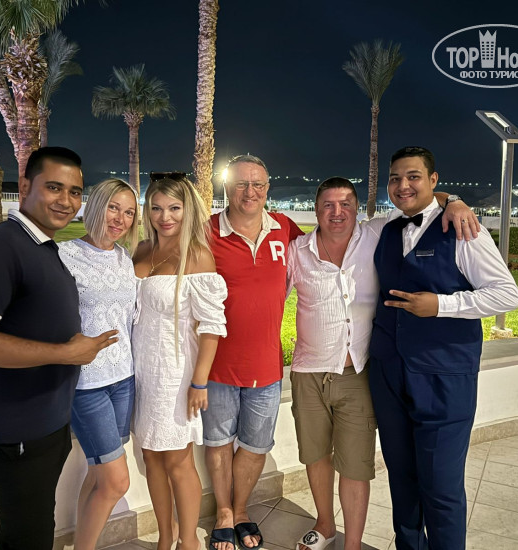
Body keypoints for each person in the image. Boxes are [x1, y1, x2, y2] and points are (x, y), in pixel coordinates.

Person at [287, 177, 480, 550]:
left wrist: (454, 200)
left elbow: (418, 201)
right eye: (328, 204)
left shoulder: (375, 233)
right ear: (316, 209)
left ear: (357, 208)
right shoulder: (299, 251)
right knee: (315, 455)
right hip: (308, 371)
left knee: (355, 464)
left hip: (360, 372)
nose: (337, 212)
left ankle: (352, 544)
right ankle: (325, 525)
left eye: (346, 204)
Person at [0, 146, 118, 550]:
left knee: (36, 529)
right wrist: (67, 354)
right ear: (25, 186)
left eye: (75, 192)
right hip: (16, 430)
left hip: (44, 424)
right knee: (28, 538)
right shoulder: (1, 248)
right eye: (54, 188)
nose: (66, 201)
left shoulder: (41, 246)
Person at [368, 146, 518, 550]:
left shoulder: (464, 229)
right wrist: (450, 198)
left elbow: (507, 294)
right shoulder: (386, 228)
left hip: (444, 377)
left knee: (441, 486)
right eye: (395, 178)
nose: (403, 185)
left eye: (413, 177)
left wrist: (441, 305)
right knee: (401, 479)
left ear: (433, 180)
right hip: (389, 373)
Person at [203, 154, 305, 550]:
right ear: (227, 188)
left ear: (267, 188)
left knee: (255, 445)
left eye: (258, 184)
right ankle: (224, 513)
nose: (250, 192)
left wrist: (448, 202)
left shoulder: (284, 228)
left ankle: (241, 509)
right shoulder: (207, 231)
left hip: (267, 365)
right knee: (218, 443)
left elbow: (335, 240)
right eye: (241, 184)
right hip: (216, 365)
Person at [132, 174, 228, 550]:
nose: (165, 217)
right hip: (141, 370)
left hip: (174, 372)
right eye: (156, 208)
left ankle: (189, 541)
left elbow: (211, 326)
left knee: (177, 459)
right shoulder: (142, 249)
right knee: (151, 456)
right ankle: (165, 536)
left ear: (188, 210)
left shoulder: (197, 255)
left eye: (174, 208)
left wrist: (199, 381)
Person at [58, 178, 140, 550]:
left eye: (129, 212)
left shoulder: (125, 258)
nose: (120, 218)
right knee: (116, 481)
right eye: (113, 208)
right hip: (86, 383)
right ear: (95, 207)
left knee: (97, 474)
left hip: (124, 378)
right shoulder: (64, 254)